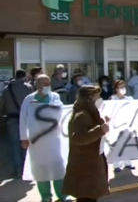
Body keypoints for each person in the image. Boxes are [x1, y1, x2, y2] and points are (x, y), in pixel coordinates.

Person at [19, 74, 68, 202]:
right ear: (36, 84)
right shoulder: (28, 99)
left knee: (58, 168)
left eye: (47, 83)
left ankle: (62, 195)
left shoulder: (55, 97)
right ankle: (45, 196)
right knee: (40, 170)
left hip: (53, 140)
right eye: (42, 83)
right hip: (36, 141)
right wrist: (24, 137)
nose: (45, 86)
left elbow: (61, 113)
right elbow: (23, 119)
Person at [62, 85, 110, 202]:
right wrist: (100, 130)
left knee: (89, 196)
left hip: (90, 162)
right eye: (97, 96)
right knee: (86, 197)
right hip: (85, 165)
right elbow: (79, 138)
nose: (100, 99)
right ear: (90, 97)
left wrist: (103, 122)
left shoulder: (89, 112)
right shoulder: (83, 114)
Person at [0, 69, 33, 178]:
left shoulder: (7, 89)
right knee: (26, 143)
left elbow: (2, 105)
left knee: (14, 145)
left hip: (12, 119)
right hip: (26, 119)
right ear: (24, 76)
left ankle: (17, 169)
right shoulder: (28, 88)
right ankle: (25, 168)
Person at [110, 80, 135, 172]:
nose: (123, 89)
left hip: (127, 125)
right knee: (117, 145)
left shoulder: (130, 99)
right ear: (116, 89)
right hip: (116, 125)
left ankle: (128, 163)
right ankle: (116, 165)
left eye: (124, 87)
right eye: (120, 87)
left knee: (127, 144)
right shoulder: (112, 99)